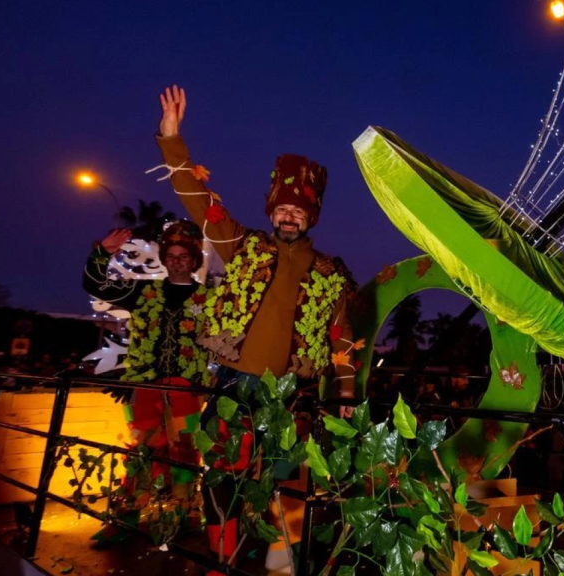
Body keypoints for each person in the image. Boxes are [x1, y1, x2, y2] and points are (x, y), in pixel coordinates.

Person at [153, 84, 359, 573]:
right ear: (272, 211)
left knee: (286, 476)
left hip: (289, 392)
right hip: (232, 384)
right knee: (221, 476)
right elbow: (199, 201)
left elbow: (343, 337)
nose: (290, 216)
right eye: (283, 209)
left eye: (299, 211)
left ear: (310, 217)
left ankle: (278, 558)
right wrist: (171, 138)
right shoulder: (242, 244)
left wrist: (345, 392)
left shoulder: (331, 273)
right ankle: (221, 558)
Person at [82, 221, 212, 538]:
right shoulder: (143, 290)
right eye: (173, 254)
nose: (178, 260)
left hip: (188, 388)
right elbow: (96, 286)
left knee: (185, 451)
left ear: (194, 261)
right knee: (141, 450)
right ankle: (126, 516)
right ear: (165, 258)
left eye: (185, 256)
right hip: (146, 386)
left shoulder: (209, 298)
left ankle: (182, 514)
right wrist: (101, 255)